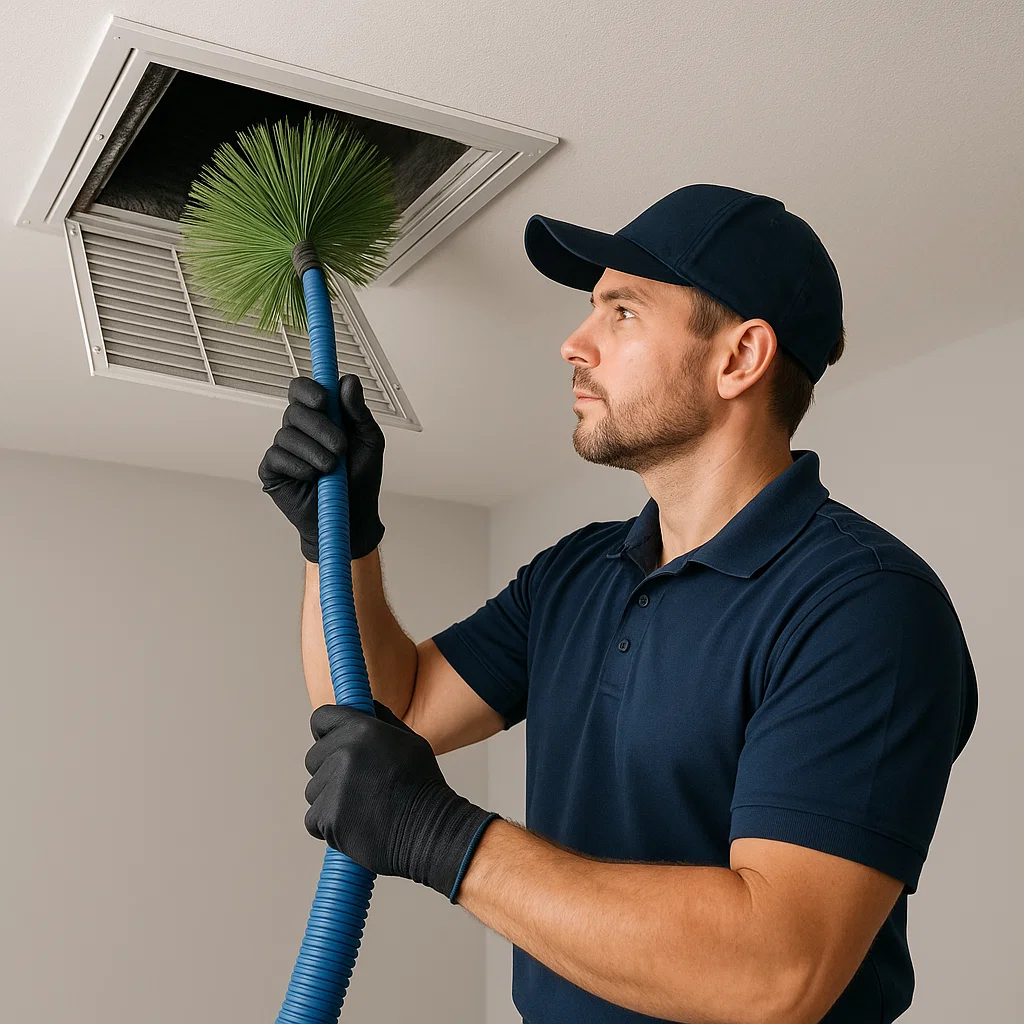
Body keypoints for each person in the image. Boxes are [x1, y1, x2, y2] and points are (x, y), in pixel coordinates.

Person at [258, 184, 978, 1024]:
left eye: (623, 313)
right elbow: (389, 712)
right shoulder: (579, 572)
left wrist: (446, 839)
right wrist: (339, 542)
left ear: (739, 358)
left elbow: (778, 969)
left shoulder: (863, 605)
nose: (575, 342)